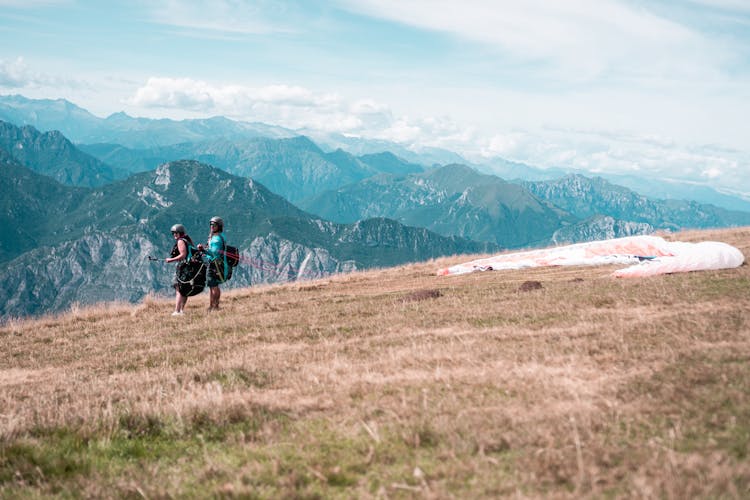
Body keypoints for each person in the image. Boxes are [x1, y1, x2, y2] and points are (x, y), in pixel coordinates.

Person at [197, 216, 228, 311]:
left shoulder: (216, 239)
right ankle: (213, 306)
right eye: (211, 224)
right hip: (218, 263)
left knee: (213, 286)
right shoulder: (220, 236)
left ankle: (214, 306)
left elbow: (214, 253)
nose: (212, 226)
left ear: (219, 226)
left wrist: (203, 250)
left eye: (214, 225)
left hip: (214, 264)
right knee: (213, 285)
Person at [165, 223, 195, 316]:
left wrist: (171, 260)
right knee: (185, 290)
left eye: (175, 233)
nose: (174, 235)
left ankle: (177, 311)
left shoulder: (180, 241)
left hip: (183, 268)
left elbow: (183, 255)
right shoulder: (187, 239)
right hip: (190, 267)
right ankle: (181, 310)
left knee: (179, 289)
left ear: (180, 233)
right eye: (173, 233)